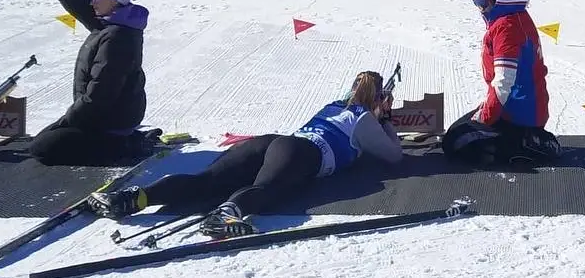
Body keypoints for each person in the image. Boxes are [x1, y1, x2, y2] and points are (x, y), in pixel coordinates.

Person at [86, 71, 404, 238]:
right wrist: (386, 119)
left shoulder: (334, 106)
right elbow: (394, 155)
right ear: (377, 99)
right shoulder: (364, 119)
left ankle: (134, 197)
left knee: (207, 180)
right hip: (302, 153)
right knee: (266, 189)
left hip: (272, 141)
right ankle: (227, 214)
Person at [30, 0, 155, 166]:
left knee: (43, 149)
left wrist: (67, 120)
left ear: (113, 0)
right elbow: (80, 4)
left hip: (111, 118)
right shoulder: (110, 21)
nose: (92, 1)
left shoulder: (118, 37)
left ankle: (125, 147)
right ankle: (119, 140)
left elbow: (101, 93)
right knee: (44, 141)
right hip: (104, 113)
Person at [441, 0, 561, 166]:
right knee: (458, 131)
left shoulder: (506, 28)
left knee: (455, 142)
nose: (479, 6)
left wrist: (485, 116)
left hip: (519, 112)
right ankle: (523, 136)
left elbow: (504, 82)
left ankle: (521, 143)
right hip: (522, 107)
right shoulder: (516, 17)